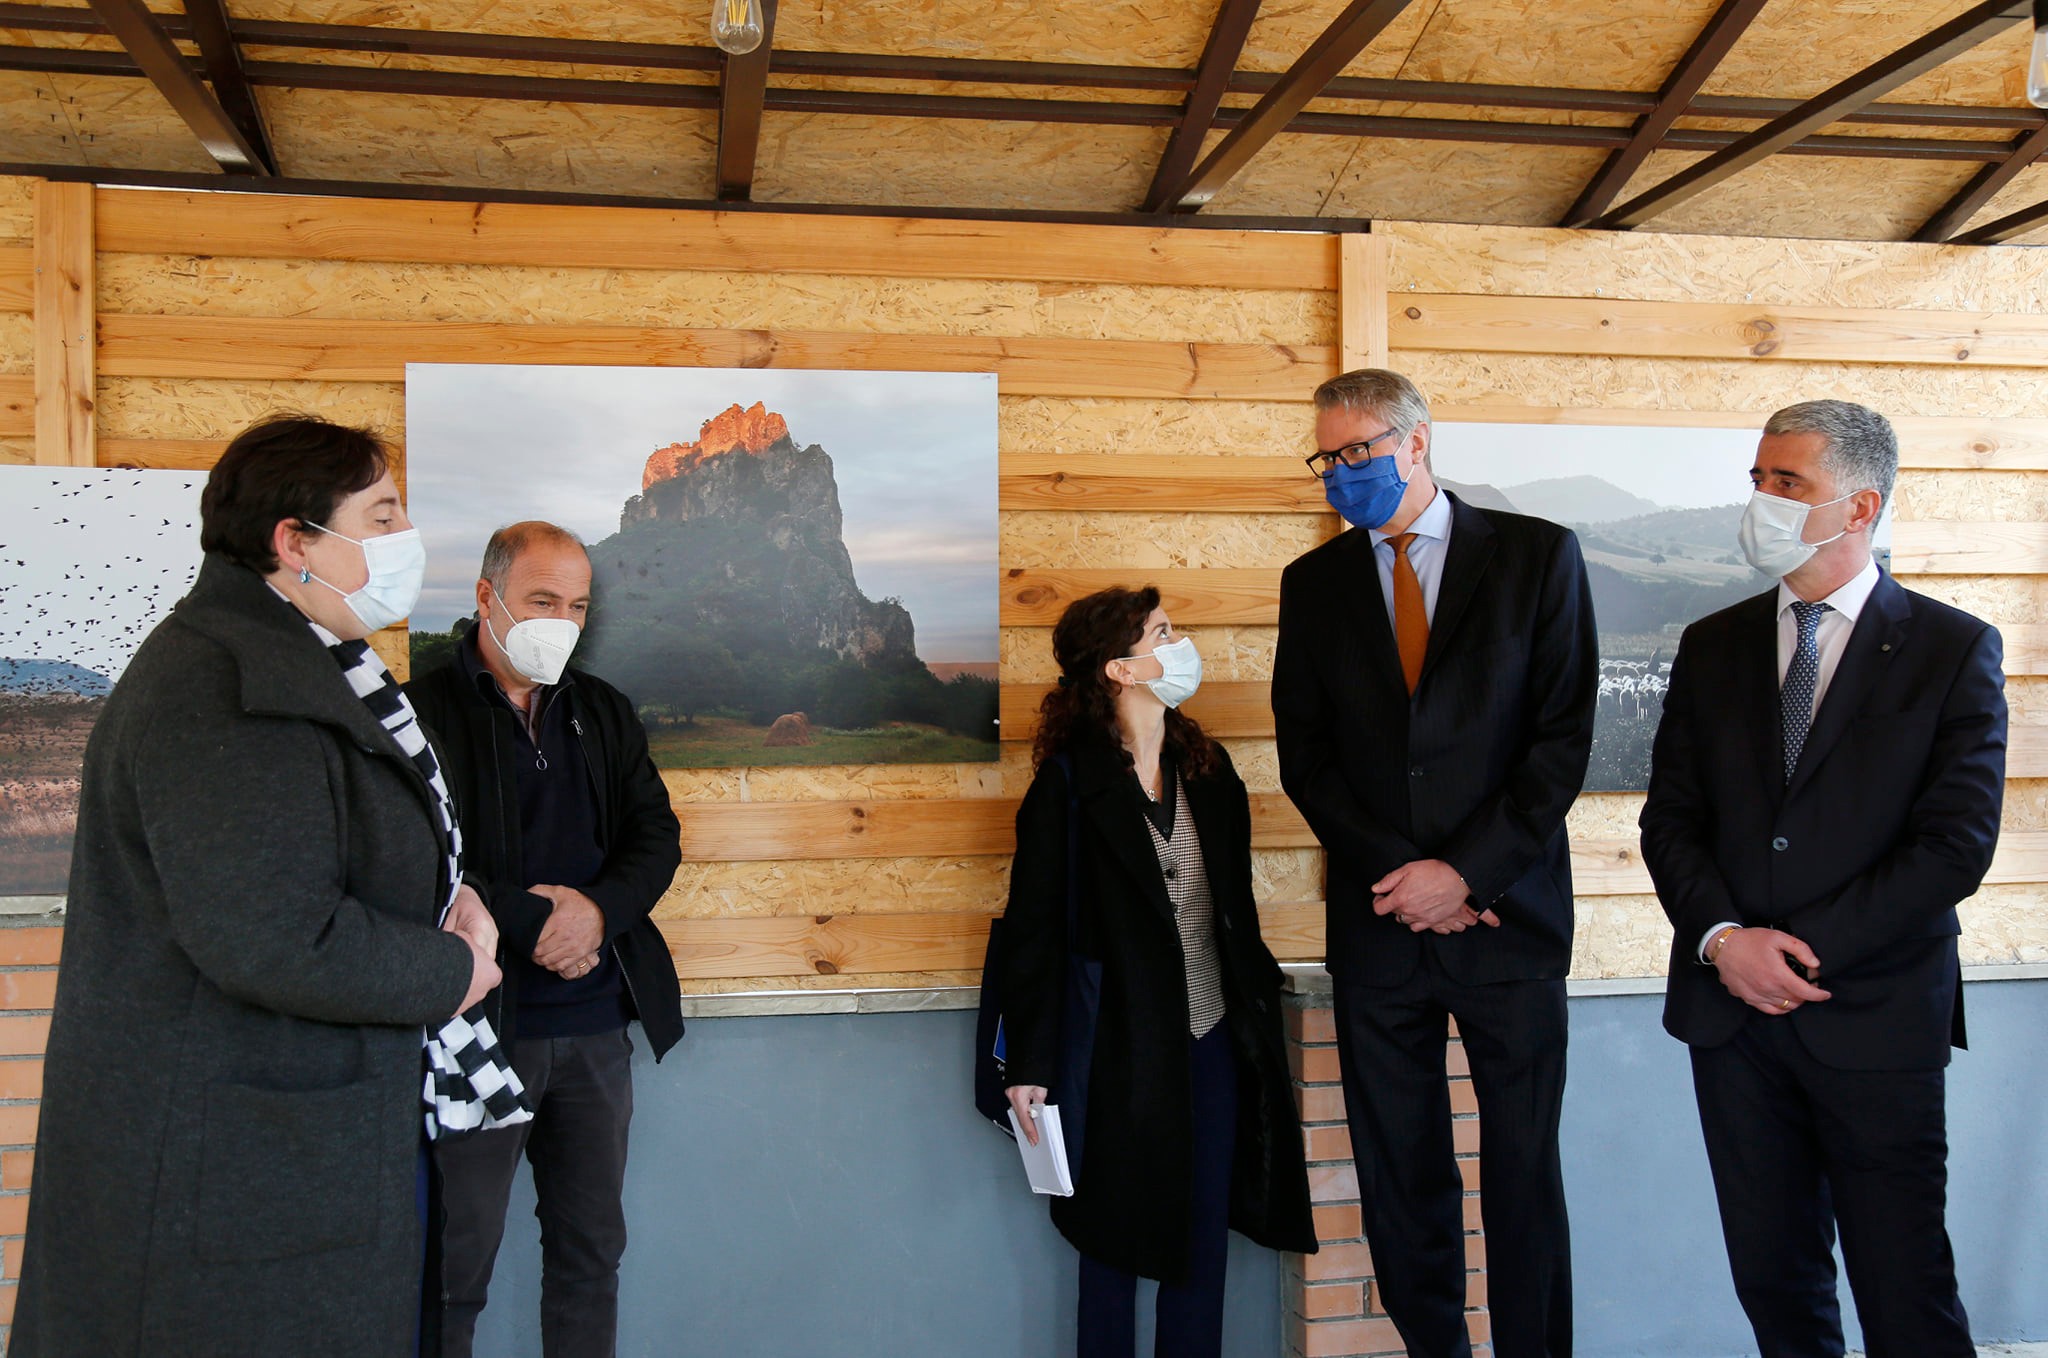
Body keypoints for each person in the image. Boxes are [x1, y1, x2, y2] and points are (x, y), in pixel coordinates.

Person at [13, 415, 503, 1357]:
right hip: (239, 1163)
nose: (406, 535)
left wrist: (459, 887)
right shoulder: (227, 687)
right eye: (382, 515)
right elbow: (274, 935)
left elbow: (353, 845)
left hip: (285, 1144)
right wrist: (452, 971)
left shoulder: (296, 660)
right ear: (295, 541)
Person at [1639, 400, 2005, 1357]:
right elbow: (1671, 820)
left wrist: (1800, 952)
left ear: (1860, 505)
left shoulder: (1953, 648)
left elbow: (1955, 845)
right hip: (1731, 1017)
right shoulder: (1713, 643)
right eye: (1758, 479)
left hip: (1874, 1013)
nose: (1761, 499)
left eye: (1788, 482)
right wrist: (1725, 942)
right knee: (1775, 1282)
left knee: (1905, 1288)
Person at [1272, 368, 1598, 1358]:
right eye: (1326, 457)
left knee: (1522, 1174)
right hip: (1381, 929)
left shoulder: (1537, 556)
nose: (1340, 471)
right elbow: (1306, 759)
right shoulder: (1313, 584)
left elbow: (1559, 743)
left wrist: (1465, 875)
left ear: (1416, 443)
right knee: (1400, 1173)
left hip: (1509, 922)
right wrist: (1406, 880)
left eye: (1357, 451)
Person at [998, 585, 1314, 1358]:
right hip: (1116, 1054)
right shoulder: (1067, 788)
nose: (1181, 647)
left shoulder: (1209, 771)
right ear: (1121, 669)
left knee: (1201, 1247)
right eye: (1162, 635)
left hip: (1212, 1043)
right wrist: (1031, 1063)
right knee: (1111, 1244)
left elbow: (1232, 910)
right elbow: (1034, 934)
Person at [406, 520, 684, 1358]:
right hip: (477, 1031)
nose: (561, 621)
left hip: (595, 1028)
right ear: (486, 597)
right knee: (452, 1270)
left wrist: (596, 912)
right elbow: (416, 859)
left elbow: (655, 837)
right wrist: (536, 926)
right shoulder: (418, 713)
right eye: (541, 601)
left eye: (577, 605)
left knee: (591, 1257)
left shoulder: (602, 710)